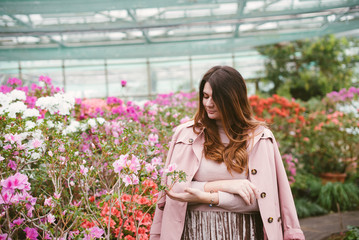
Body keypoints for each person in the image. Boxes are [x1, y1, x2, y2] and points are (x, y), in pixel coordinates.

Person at [150, 66, 305, 240]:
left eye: (217, 98)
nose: (208, 104)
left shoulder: (260, 138)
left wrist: (211, 198)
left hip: (245, 233)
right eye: (206, 96)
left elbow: (265, 200)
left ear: (233, 99)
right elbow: (173, 189)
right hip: (192, 232)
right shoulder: (185, 134)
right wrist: (227, 185)